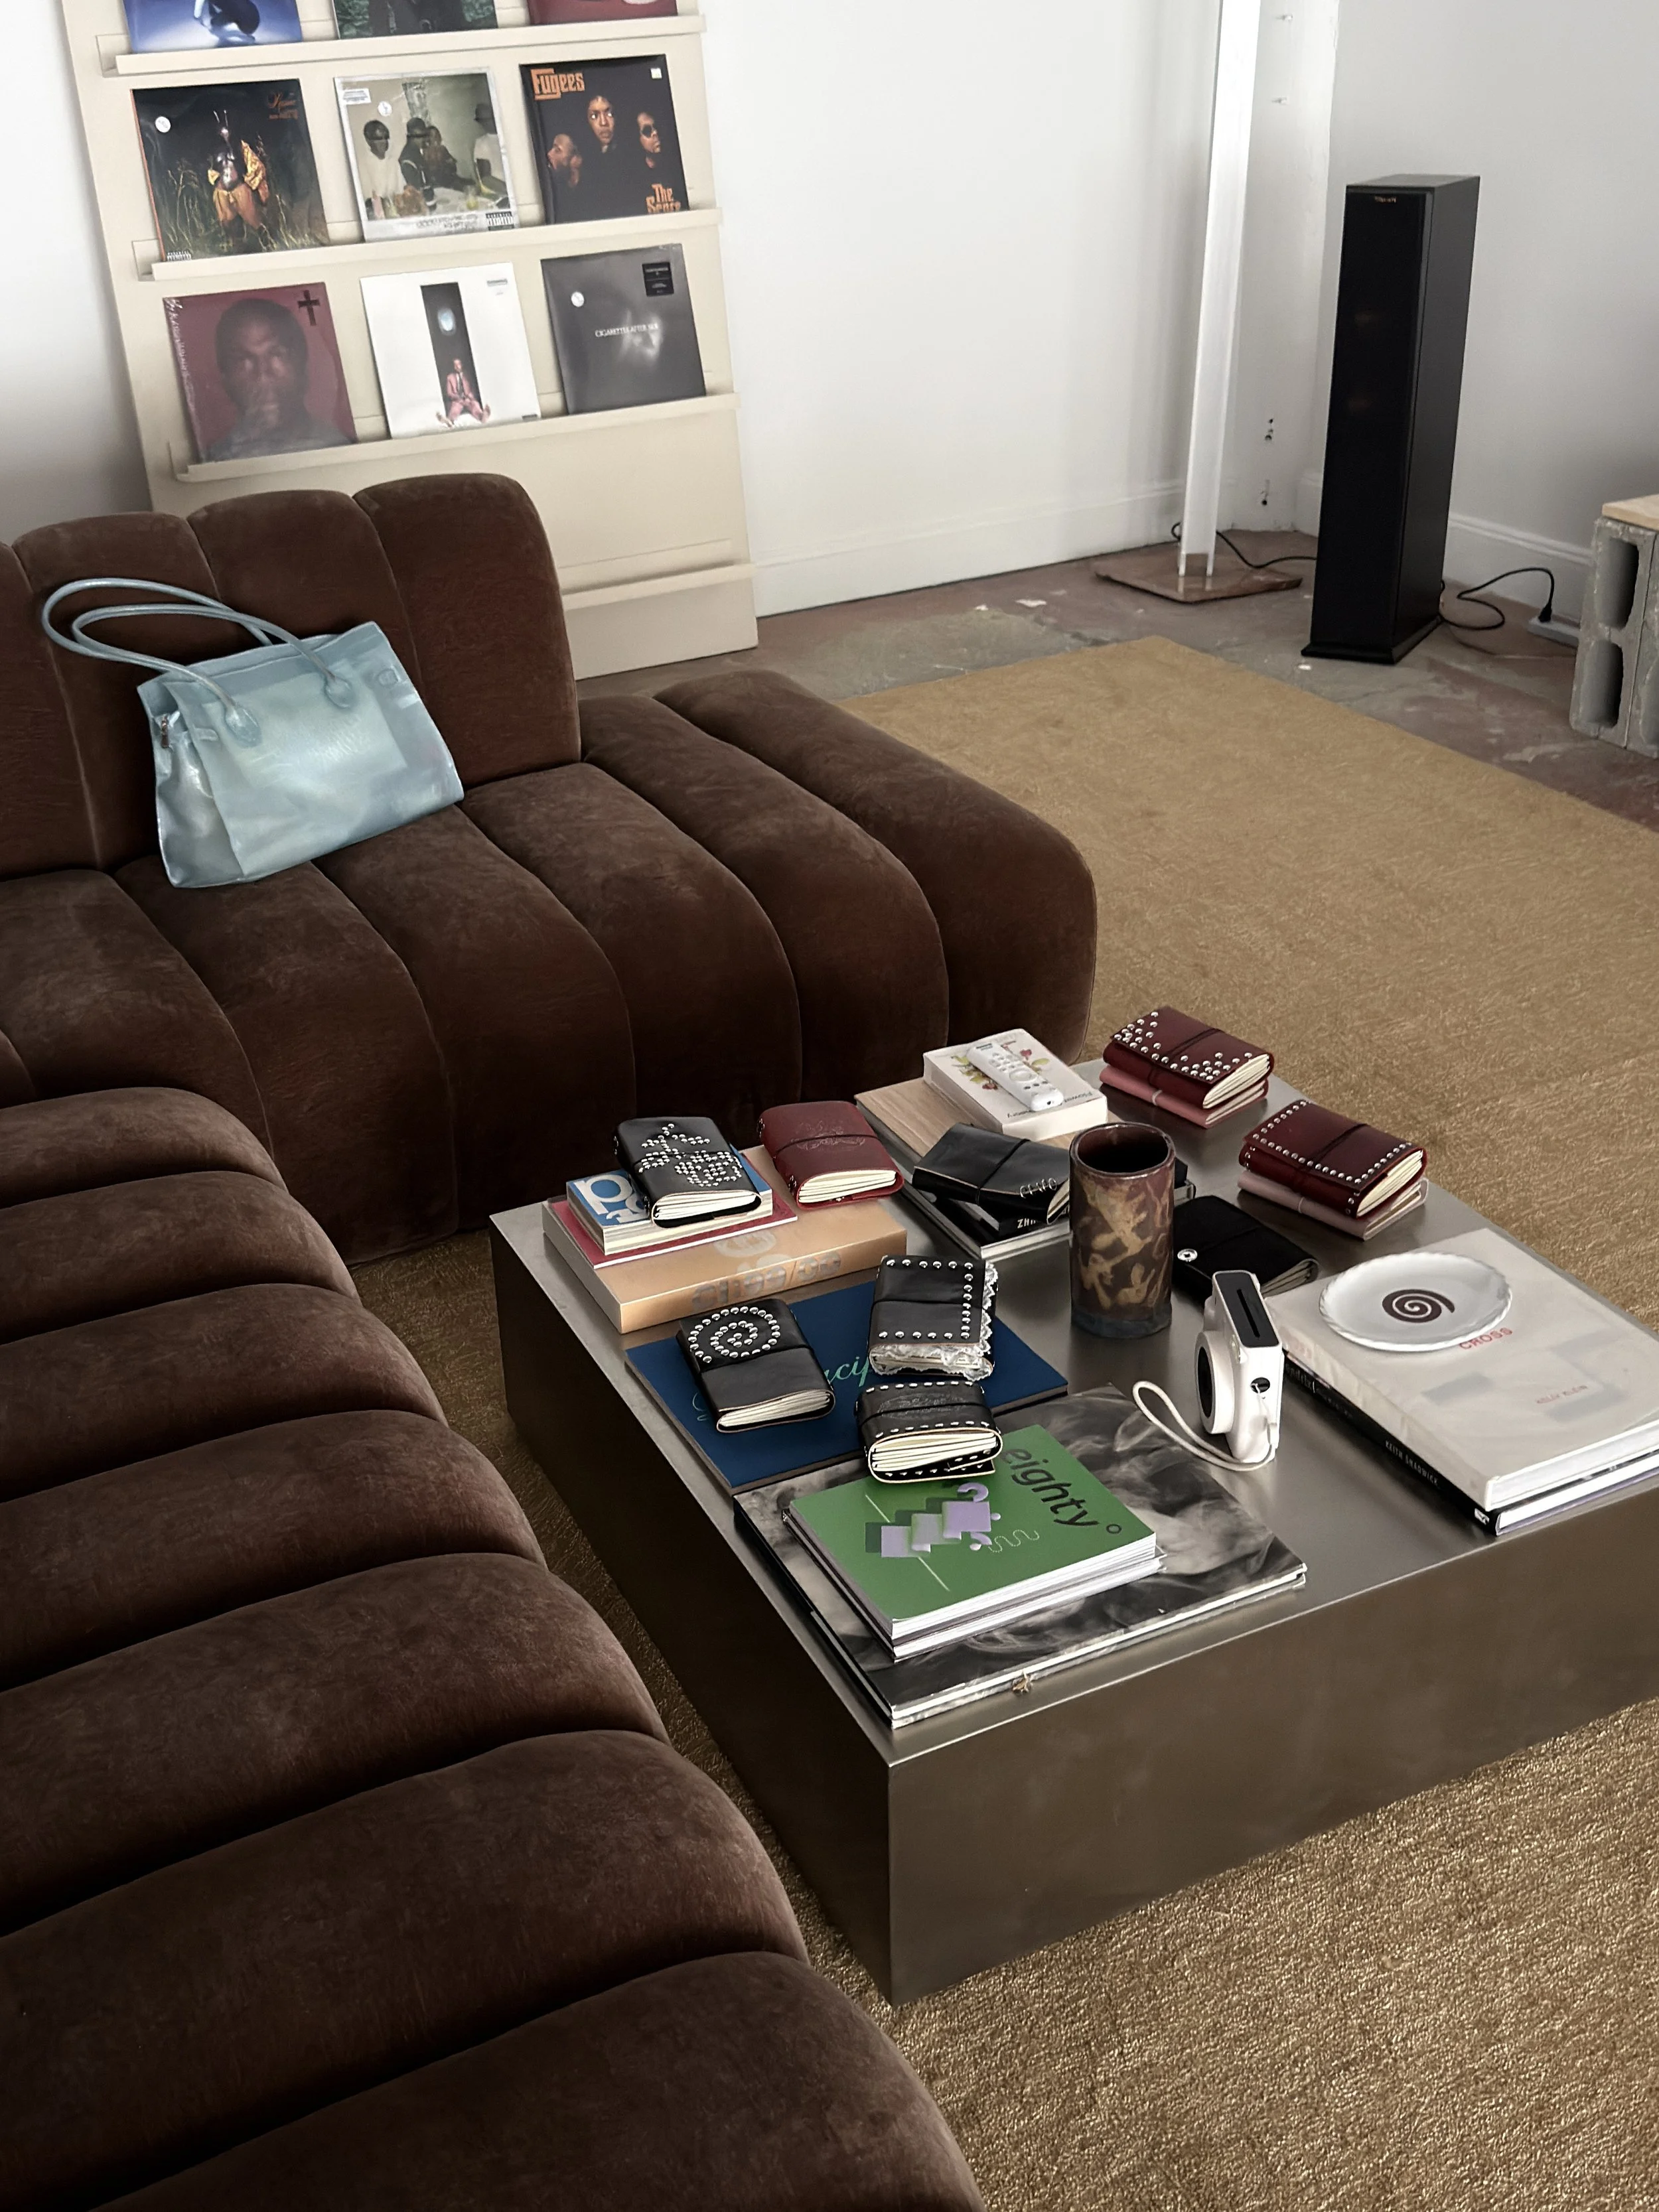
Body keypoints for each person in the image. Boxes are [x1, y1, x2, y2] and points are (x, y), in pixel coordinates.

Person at [203, 297, 352, 461]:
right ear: (225, 379)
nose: (263, 374)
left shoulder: (338, 447)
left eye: (276, 354)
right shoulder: (215, 458)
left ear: (302, 367)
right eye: (243, 360)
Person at [206, 121, 269, 243]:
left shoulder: (241, 147)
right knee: (227, 223)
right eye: (222, 133)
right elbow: (210, 170)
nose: (225, 135)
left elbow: (255, 164)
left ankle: (267, 243)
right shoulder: (214, 151)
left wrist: (251, 182)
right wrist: (215, 180)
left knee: (254, 219)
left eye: (227, 132)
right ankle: (234, 246)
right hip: (222, 192)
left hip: (239, 189)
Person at [357, 115, 405, 222]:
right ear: (369, 141)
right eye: (379, 138)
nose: (384, 142)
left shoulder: (393, 163)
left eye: (385, 137)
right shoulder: (363, 164)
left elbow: (400, 192)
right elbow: (369, 198)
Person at [635, 107, 682, 212]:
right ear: (637, 139)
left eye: (656, 127)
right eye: (647, 131)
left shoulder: (676, 169)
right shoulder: (634, 178)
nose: (655, 133)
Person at [471, 100, 505, 202]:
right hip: (498, 195)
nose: (487, 123)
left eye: (489, 119)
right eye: (483, 121)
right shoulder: (481, 143)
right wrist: (510, 191)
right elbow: (486, 179)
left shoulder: (508, 136)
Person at [442, 358, 488, 427]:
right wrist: (458, 398)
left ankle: (482, 417)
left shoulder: (468, 375)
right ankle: (449, 421)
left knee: (475, 406)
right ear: (453, 367)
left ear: (462, 365)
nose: (457, 367)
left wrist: (469, 397)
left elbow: (473, 388)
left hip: (469, 399)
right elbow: (449, 393)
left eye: (459, 364)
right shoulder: (450, 377)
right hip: (458, 400)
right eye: (455, 365)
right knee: (455, 410)